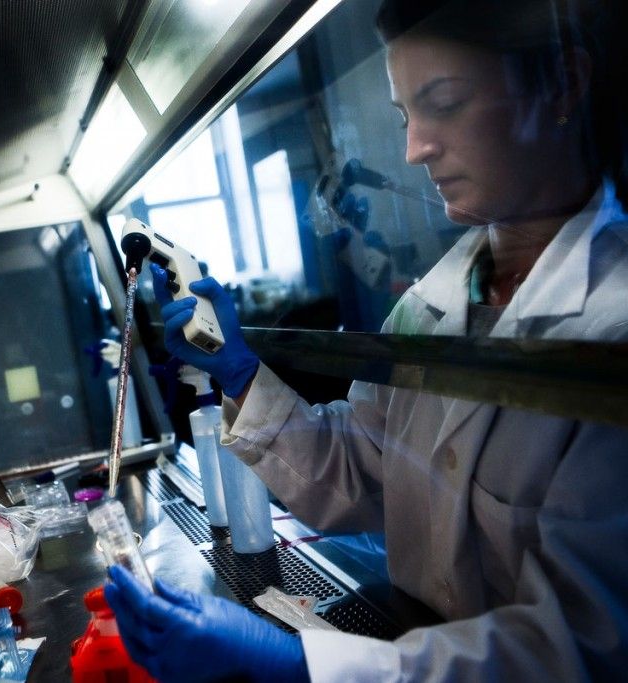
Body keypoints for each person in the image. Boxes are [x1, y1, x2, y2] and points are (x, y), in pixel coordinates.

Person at [104, 0, 628, 680]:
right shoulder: (427, 307)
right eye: (408, 115)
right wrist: (239, 375)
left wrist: (304, 664)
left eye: (444, 101)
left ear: (562, 83)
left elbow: (583, 647)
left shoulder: (612, 330)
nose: (415, 149)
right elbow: (362, 469)